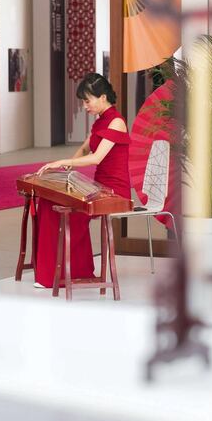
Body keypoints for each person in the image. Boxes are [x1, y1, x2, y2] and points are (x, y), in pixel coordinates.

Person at [33, 72, 131, 288]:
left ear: (102, 97)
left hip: (114, 189)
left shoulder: (116, 122)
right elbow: (85, 148)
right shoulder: (101, 121)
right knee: (50, 202)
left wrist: (61, 161)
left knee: (68, 214)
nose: (85, 106)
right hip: (99, 186)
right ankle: (63, 271)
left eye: (87, 100)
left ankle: (62, 273)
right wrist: (67, 167)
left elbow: (97, 157)